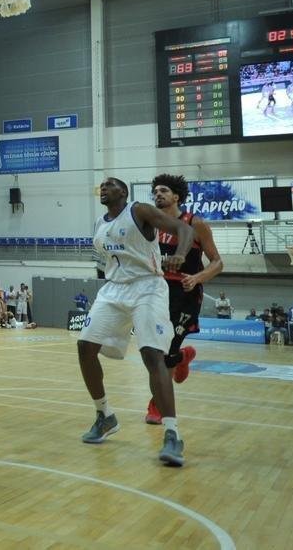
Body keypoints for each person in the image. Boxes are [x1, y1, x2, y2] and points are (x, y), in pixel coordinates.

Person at [78, 176, 194, 468]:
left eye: (110, 184)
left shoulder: (139, 210)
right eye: (101, 185)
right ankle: (104, 415)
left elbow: (183, 228)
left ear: (123, 191)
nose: (103, 188)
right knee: (85, 347)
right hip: (114, 288)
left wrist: (180, 255)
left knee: (152, 355)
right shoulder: (100, 223)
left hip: (147, 286)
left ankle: (172, 434)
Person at [147, 174, 224, 425]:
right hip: (156, 291)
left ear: (176, 196)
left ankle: (157, 404)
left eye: (163, 191)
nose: (158, 194)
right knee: (155, 350)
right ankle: (182, 357)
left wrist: (198, 278)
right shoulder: (150, 225)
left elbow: (218, 262)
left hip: (185, 291)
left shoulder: (195, 223)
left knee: (166, 349)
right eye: (155, 191)